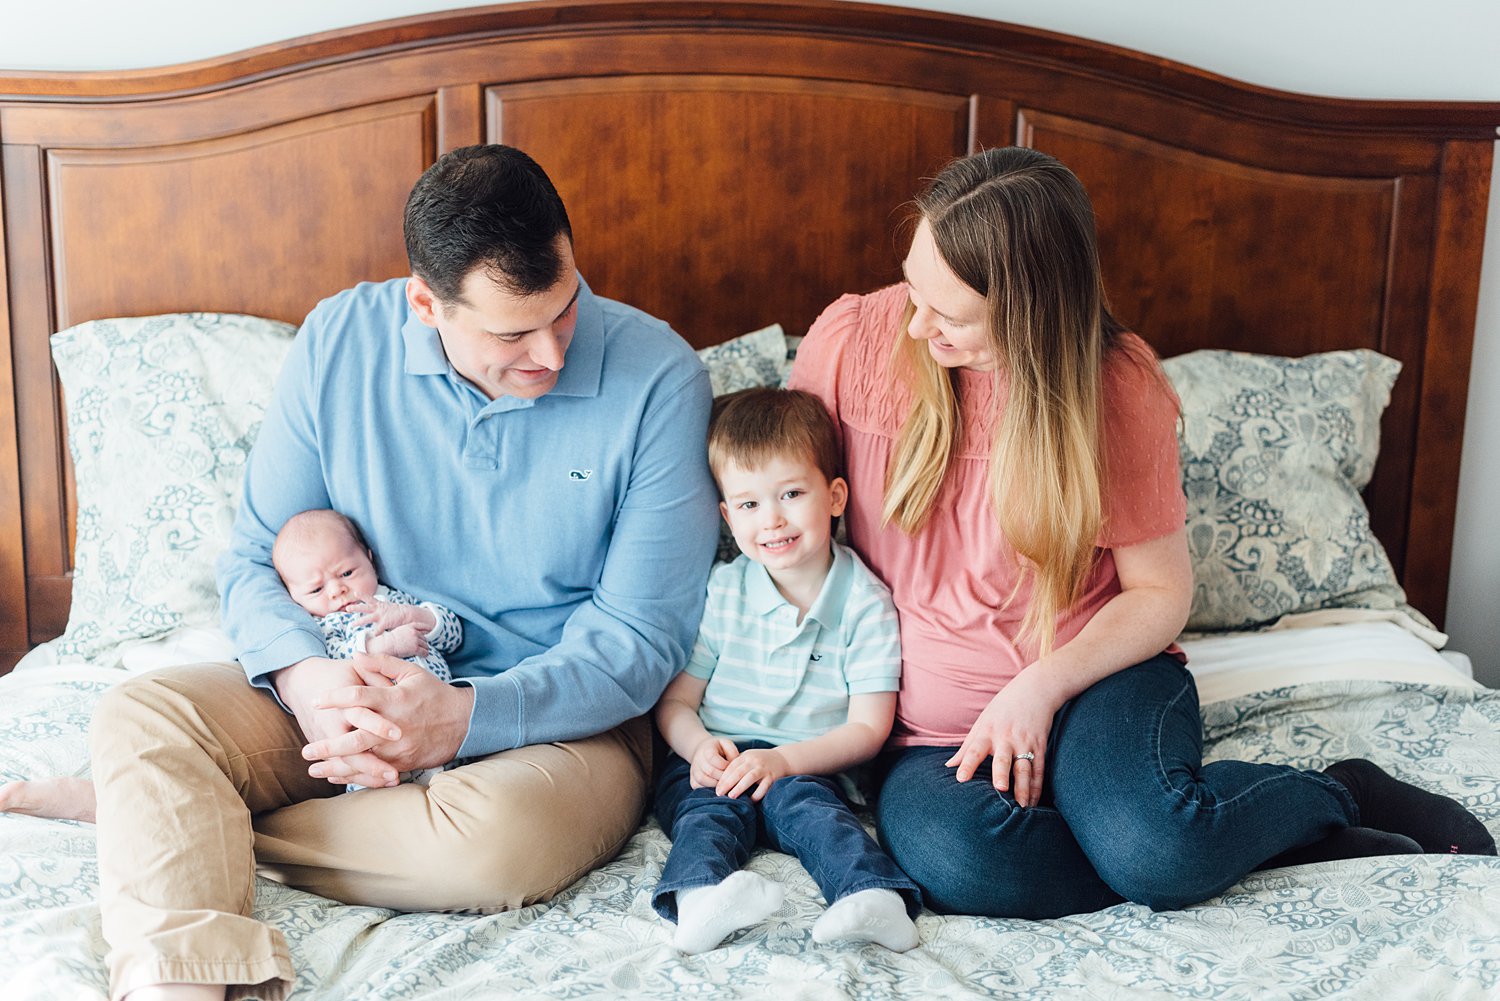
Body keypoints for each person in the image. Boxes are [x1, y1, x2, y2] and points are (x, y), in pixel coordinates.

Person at [1, 144, 720, 1001]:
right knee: (143, 714)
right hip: (351, 679)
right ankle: (179, 979)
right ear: (425, 302)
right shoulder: (339, 341)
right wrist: (308, 680)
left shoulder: (663, 377)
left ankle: (164, 814)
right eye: (510, 332)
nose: (552, 354)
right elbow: (256, 556)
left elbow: (641, 637)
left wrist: (461, 718)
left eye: (563, 310)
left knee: (495, 846)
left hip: (558, 714)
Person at [786, 146, 1496, 920]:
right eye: (913, 286)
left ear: (1033, 311)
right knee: (968, 861)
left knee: (1158, 849)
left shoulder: (1115, 385)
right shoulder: (852, 343)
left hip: (1097, 683)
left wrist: (1039, 685)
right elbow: (774, 506)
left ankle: (1338, 791)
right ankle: (1243, 840)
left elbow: (1160, 592)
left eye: (950, 315)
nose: (916, 324)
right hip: (930, 732)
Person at [651, 388, 922, 954]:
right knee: (705, 811)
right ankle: (702, 900)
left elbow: (869, 730)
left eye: (792, 494)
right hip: (718, 755)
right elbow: (676, 703)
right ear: (727, 515)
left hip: (805, 761)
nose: (771, 520)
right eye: (748, 505)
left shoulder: (865, 602)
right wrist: (699, 746)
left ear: (835, 495)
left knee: (815, 813)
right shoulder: (726, 589)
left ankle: (872, 898)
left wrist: (784, 761)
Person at [271, 507, 464, 789]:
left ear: (369, 558)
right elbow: (336, 662)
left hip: (442, 721)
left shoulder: (393, 600)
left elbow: (453, 637)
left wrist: (418, 617)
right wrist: (385, 645)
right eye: (316, 590)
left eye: (347, 572)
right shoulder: (325, 626)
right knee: (367, 777)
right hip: (379, 739)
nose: (337, 590)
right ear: (293, 596)